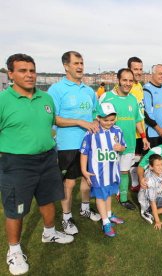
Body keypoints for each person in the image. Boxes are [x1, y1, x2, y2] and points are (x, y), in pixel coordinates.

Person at [1, 54, 73, 276]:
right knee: (16, 209)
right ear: (10, 74)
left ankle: (49, 232)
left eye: (32, 70)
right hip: (16, 163)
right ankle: (13, 250)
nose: (29, 75)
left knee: (48, 198)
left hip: (47, 159)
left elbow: (49, 125)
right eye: (22, 71)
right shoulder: (3, 100)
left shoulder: (45, 98)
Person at [48, 51, 100, 235]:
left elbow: (96, 113)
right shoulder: (56, 89)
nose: (80, 67)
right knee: (69, 183)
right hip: (67, 145)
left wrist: (94, 122)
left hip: (89, 143)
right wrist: (79, 122)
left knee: (88, 178)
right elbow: (54, 118)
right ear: (66, 66)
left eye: (82, 63)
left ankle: (85, 209)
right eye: (76, 63)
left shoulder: (88, 90)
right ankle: (66, 217)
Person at [99, 68, 149, 210]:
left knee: (124, 171)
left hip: (129, 143)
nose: (128, 83)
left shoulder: (133, 99)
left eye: (130, 80)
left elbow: (138, 120)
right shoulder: (107, 97)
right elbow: (96, 117)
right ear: (118, 80)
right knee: (107, 172)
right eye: (125, 80)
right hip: (109, 145)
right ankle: (103, 199)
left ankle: (124, 198)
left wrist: (144, 137)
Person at [80, 102, 126, 237]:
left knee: (109, 194)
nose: (109, 123)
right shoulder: (91, 133)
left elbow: (123, 146)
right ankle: (105, 222)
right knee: (100, 196)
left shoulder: (117, 130)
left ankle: (110, 214)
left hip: (112, 172)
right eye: (106, 120)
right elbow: (84, 152)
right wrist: (84, 170)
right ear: (98, 118)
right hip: (97, 173)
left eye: (112, 120)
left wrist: (121, 148)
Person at [126, 57, 147, 192]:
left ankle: (134, 183)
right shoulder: (126, 87)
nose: (139, 72)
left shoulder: (139, 86)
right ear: (129, 70)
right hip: (129, 132)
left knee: (138, 158)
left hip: (140, 131)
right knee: (125, 161)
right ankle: (118, 190)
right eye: (135, 69)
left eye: (140, 69)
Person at [143, 64, 162, 147]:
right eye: (160, 74)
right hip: (153, 133)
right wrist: (159, 129)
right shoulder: (147, 89)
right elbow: (147, 114)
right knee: (153, 158)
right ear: (153, 74)